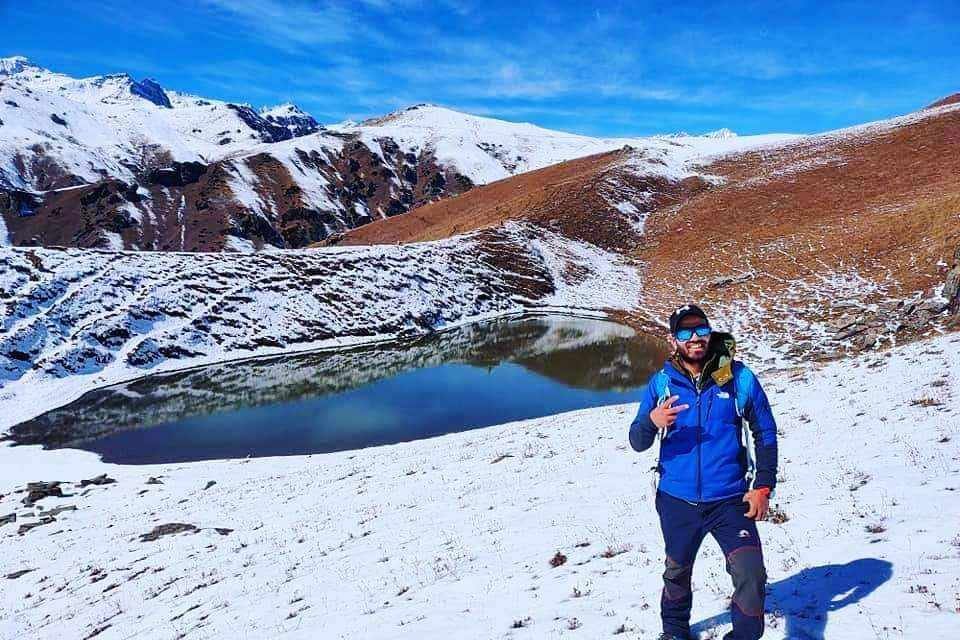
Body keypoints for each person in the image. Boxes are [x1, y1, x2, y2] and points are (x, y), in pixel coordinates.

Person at [629, 304, 778, 640]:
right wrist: (652, 423)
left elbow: (765, 433)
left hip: (730, 500)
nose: (694, 338)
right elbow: (637, 441)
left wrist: (763, 487)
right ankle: (675, 632)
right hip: (676, 500)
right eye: (685, 332)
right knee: (677, 573)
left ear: (710, 332)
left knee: (751, 575)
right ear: (673, 339)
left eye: (700, 329)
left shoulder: (738, 377)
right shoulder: (662, 383)